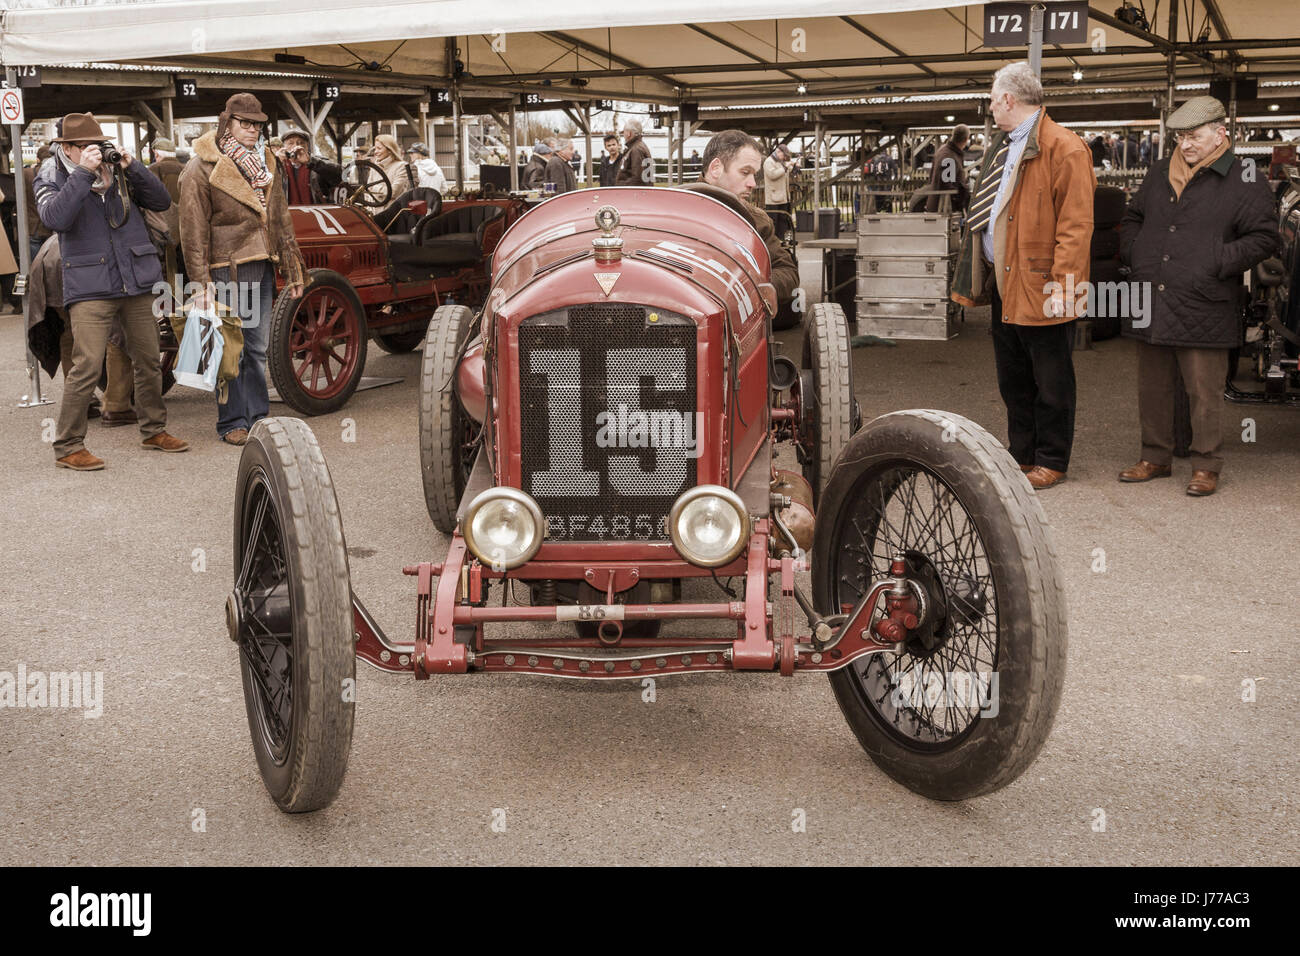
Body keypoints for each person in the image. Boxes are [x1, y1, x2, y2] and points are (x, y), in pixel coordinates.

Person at [1117, 96, 1279, 497]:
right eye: (1181, 137)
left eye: (1195, 136)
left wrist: (1217, 260)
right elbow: (1133, 217)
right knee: (1152, 385)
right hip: (1152, 293)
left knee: (1203, 390)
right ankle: (1155, 456)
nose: (1186, 145)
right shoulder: (1159, 172)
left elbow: (1264, 236)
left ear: (1221, 133)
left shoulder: (1244, 176)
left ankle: (1206, 464)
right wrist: (1136, 251)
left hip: (1204, 297)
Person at [950, 62, 1095, 490]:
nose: (991, 106)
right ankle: (1023, 453)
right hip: (1007, 280)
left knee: (1050, 379)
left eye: (993, 99)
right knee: (1012, 376)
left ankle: (1051, 459)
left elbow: (1076, 226)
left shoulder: (1064, 147)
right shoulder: (1008, 143)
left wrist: (1065, 289)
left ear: (1009, 100)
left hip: (1043, 284)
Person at [34, 112, 188, 470]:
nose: (95, 152)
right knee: (86, 366)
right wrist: (84, 174)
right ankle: (68, 446)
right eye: (86, 146)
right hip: (90, 284)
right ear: (67, 149)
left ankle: (154, 429)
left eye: (97, 145)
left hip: (134, 276)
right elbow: (55, 220)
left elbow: (162, 201)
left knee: (149, 360)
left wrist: (133, 167)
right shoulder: (52, 175)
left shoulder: (118, 170)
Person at [179, 92, 305, 446]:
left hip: (261, 264)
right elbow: (192, 231)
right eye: (245, 123)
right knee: (228, 348)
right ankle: (232, 420)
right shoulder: (200, 168)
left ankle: (258, 417)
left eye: (257, 124)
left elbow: (280, 218)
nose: (252, 130)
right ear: (227, 124)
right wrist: (200, 283)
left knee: (256, 347)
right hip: (225, 269)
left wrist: (293, 269)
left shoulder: (266, 163)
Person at [693, 129, 800, 305]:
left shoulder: (758, 221)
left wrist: (752, 287)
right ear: (716, 169)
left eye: (754, 174)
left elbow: (787, 272)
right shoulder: (671, 213)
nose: (752, 184)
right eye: (745, 172)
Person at [277, 128, 343, 205]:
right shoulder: (279, 164)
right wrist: (276, 162)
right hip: (287, 214)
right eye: (291, 143)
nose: (296, 146)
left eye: (301, 143)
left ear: (307, 146)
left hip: (317, 213)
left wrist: (310, 162)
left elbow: (340, 174)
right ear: (283, 147)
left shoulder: (316, 161)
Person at [926, 124, 970, 213]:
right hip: (944, 209)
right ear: (966, 139)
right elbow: (948, 187)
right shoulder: (949, 158)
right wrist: (961, 200)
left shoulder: (943, 150)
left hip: (935, 205)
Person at [24, 144, 53, 263]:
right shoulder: (55, 173)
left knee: (35, 265)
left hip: (32, 226)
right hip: (51, 227)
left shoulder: (25, 174)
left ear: (37, 159)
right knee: (50, 265)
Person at [762, 144, 797, 215]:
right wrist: (785, 167)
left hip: (783, 198)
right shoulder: (769, 161)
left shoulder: (780, 161)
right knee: (774, 222)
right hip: (773, 200)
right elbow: (772, 175)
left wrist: (793, 166)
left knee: (784, 221)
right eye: (784, 155)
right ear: (778, 152)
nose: (784, 158)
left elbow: (786, 171)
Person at [615, 120, 653, 186]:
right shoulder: (638, 147)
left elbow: (638, 178)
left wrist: (621, 186)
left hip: (633, 194)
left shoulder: (636, 149)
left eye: (624, 132)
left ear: (628, 133)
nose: (623, 134)